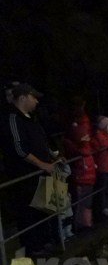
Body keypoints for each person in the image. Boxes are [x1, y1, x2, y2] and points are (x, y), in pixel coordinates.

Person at [0, 83, 59, 253]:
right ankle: (33, 248)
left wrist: (53, 156)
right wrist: (43, 164)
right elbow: (19, 149)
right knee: (29, 213)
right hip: (26, 176)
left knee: (44, 210)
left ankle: (45, 241)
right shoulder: (13, 119)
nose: (36, 102)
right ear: (23, 97)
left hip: (41, 174)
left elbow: (41, 141)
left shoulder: (30, 119)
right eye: (34, 98)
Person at [62, 97, 98, 230]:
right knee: (81, 198)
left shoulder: (82, 123)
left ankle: (85, 223)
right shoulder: (77, 126)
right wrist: (82, 146)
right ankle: (80, 225)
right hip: (81, 168)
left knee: (86, 198)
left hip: (86, 167)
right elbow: (78, 145)